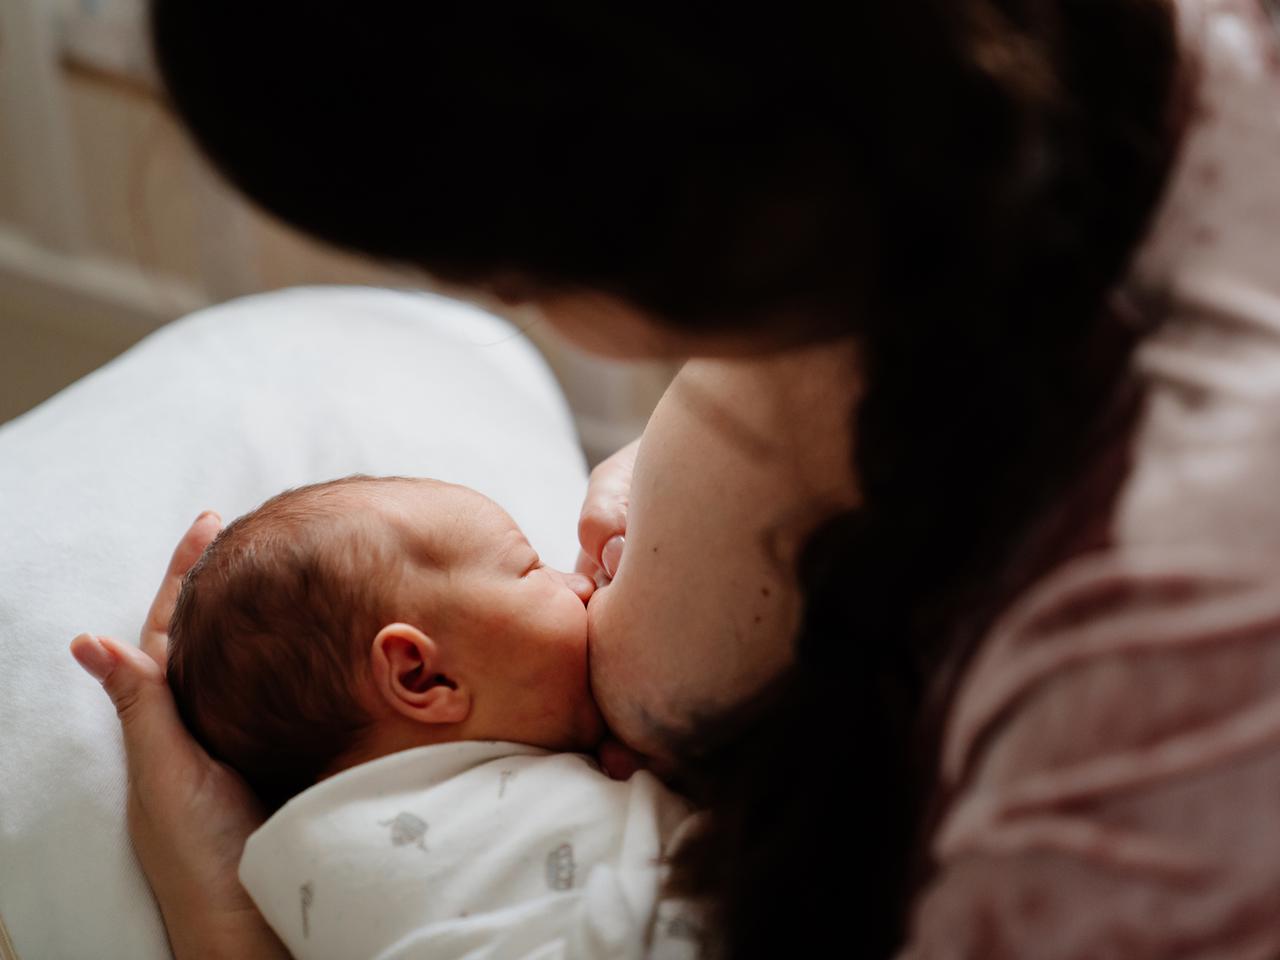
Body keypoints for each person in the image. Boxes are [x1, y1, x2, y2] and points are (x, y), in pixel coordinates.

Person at [68, 1, 1280, 957]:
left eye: (504, 274)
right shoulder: (992, 124)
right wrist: (663, 465)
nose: (571, 572)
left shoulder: (1153, 687)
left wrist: (218, 921)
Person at [164, 474, 699, 959]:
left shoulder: (301, 882)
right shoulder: (373, 860)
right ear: (422, 676)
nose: (579, 584)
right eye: (531, 568)